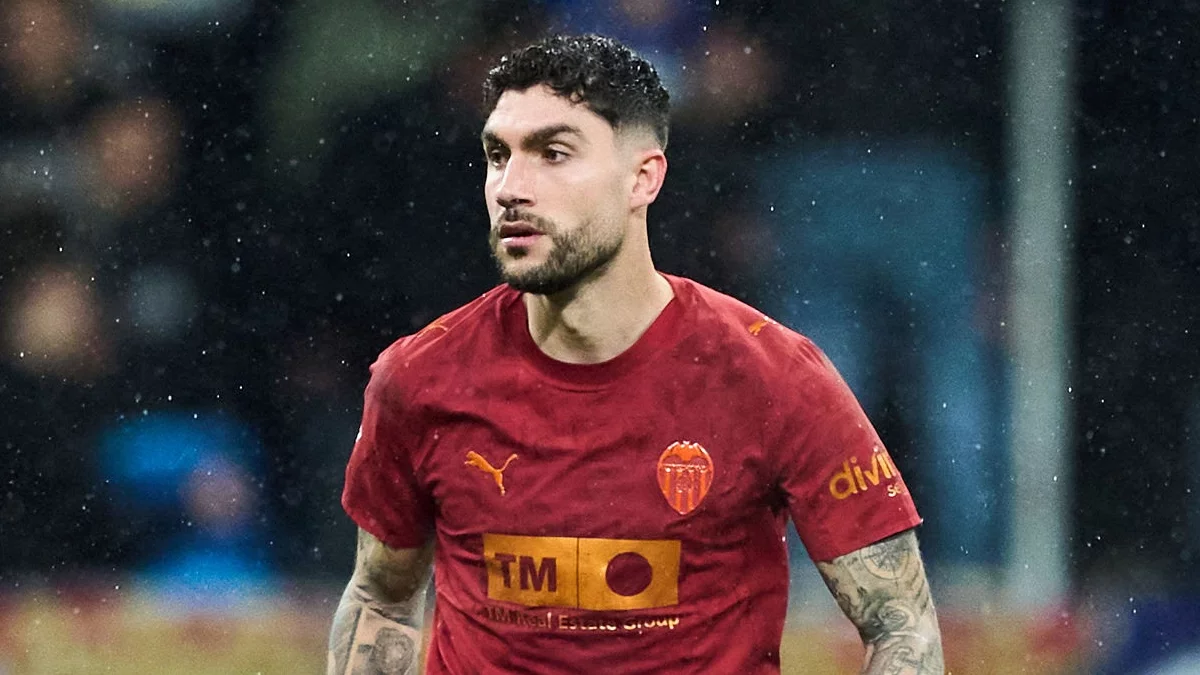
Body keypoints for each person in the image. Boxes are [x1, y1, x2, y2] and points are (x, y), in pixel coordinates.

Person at [328, 34, 943, 674]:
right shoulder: (419, 377)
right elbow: (381, 601)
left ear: (642, 179)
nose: (511, 187)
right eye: (498, 156)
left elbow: (900, 627)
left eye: (553, 154)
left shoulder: (773, 377)